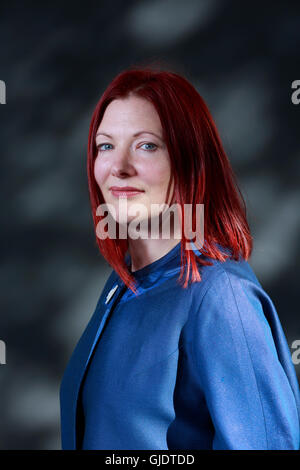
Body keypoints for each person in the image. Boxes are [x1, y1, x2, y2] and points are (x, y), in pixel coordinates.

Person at [59, 66, 300, 450]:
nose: (119, 167)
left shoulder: (223, 297)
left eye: (147, 145)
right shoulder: (120, 286)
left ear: (191, 161)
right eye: (106, 145)